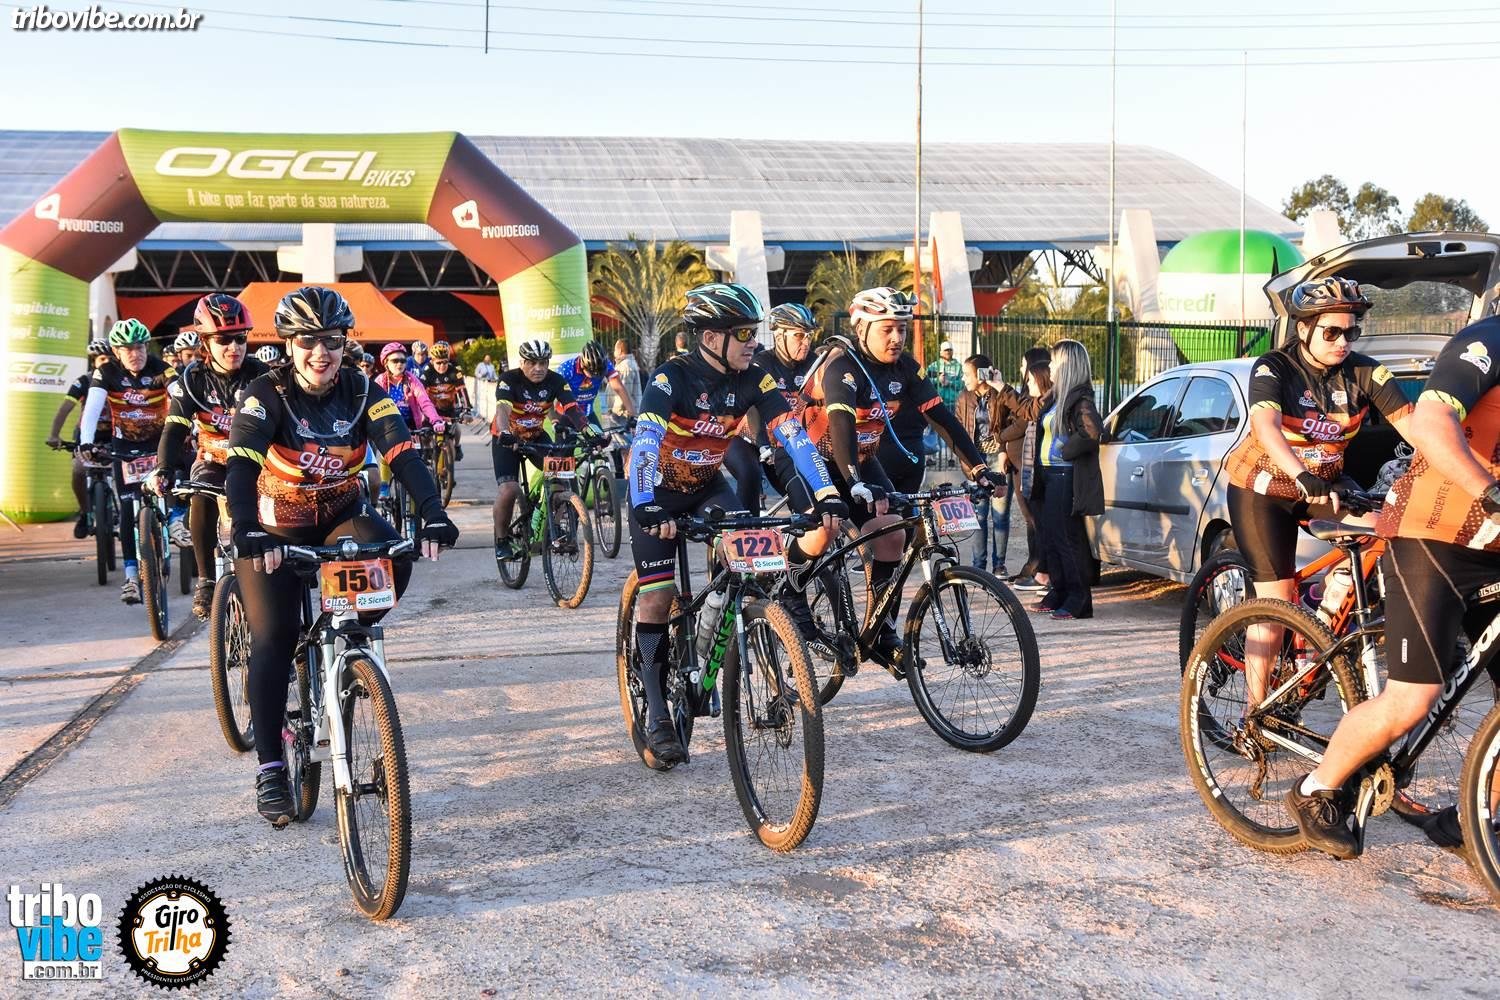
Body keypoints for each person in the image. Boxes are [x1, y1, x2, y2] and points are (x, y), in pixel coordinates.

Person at [226, 286, 458, 826]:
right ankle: (270, 768)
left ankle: (345, 647)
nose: (320, 352)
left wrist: (433, 512)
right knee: (274, 636)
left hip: (339, 516)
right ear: (289, 344)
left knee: (390, 557)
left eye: (330, 340)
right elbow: (240, 462)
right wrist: (244, 526)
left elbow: (402, 452)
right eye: (307, 341)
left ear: (344, 342)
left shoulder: (363, 390)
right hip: (275, 524)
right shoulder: (266, 392)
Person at [1286, 314, 1500, 859]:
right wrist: (1490, 493)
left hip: (1496, 546)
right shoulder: (1487, 341)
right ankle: (1316, 790)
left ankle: (1478, 818)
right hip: (1436, 532)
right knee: (1413, 696)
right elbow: (1431, 421)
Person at [627, 283, 844, 764]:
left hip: (707, 488)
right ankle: (658, 712)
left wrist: (826, 492)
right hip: (657, 493)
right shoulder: (671, 378)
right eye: (743, 333)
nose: (754, 342)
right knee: (658, 597)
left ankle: (723, 635)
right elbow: (644, 444)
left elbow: (794, 437)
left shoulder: (754, 380)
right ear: (710, 337)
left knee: (748, 566)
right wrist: (644, 503)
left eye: (754, 332)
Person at [1223, 277, 1413, 705]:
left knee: (1384, 531)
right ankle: (1254, 716)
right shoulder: (1275, 367)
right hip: (1264, 488)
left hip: (1323, 487)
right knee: (1274, 606)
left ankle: (1319, 609)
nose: (1343, 341)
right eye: (1332, 332)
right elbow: (1266, 427)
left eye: (1351, 332)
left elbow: (1416, 426)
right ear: (1304, 328)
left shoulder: (1366, 372)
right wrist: (1299, 473)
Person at [789, 287, 1001, 670]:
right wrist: (854, 482)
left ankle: (881, 633)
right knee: (825, 527)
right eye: (887, 329)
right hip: (816, 459)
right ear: (862, 328)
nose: (896, 337)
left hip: (861, 457)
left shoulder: (906, 369)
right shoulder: (843, 368)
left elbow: (944, 419)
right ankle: (791, 593)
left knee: (893, 534)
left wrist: (978, 467)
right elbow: (841, 429)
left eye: (902, 329)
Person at [153, 293, 269, 620]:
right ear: (205, 342)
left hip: (259, 463)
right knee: (200, 496)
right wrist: (164, 468)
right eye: (223, 340)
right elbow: (174, 428)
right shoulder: (192, 379)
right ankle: (205, 580)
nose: (234, 347)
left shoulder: (262, 375)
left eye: (240, 338)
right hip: (214, 459)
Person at [78, 319, 177, 604]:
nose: (135, 354)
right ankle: (132, 577)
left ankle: (175, 519)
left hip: (157, 445)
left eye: (140, 347)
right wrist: (86, 440)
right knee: (126, 508)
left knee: (179, 474)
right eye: (128, 349)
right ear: (116, 352)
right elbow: (93, 406)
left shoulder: (161, 368)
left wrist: (189, 428)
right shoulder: (107, 371)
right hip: (124, 448)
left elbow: (178, 395)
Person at [1022, 340, 1103, 620]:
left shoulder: (1080, 399)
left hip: (1064, 476)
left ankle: (1079, 598)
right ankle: (1059, 591)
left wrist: (1066, 450)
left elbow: (1092, 432)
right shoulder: (1056, 396)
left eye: (1055, 361)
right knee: (1050, 537)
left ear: (1068, 365)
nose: (1051, 366)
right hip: (1047, 475)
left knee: (1067, 539)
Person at [491, 339, 591, 560]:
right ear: (522, 363)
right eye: (532, 363)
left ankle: (552, 526)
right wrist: (505, 432)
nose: (538, 368)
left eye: (543, 363)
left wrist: (588, 430)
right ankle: (502, 540)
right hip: (507, 438)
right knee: (509, 490)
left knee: (561, 477)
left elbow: (572, 408)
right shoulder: (509, 379)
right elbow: (503, 409)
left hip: (536, 436)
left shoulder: (556, 381)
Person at [735, 302, 820, 511]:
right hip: (749, 437)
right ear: (779, 336)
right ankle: (745, 524)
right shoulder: (761, 363)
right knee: (750, 474)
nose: (806, 342)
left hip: (786, 441)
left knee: (804, 496)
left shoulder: (814, 362)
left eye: (809, 336)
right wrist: (763, 444)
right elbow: (753, 407)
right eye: (799, 336)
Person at [1000, 348, 1053, 591]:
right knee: (1031, 519)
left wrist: (999, 436)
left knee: (1036, 520)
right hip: (1020, 466)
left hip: (1030, 468)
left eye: (1025, 366)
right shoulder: (1028, 396)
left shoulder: (1039, 402)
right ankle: (1034, 566)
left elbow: (1021, 422)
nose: (1021, 370)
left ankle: (1040, 569)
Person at [47, 340, 110, 538]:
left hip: (113, 434)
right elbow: (65, 408)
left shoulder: (119, 379)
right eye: (102, 359)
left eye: (110, 358)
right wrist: (54, 434)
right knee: (78, 470)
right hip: (86, 435)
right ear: (93, 361)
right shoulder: (83, 381)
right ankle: (85, 512)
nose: (107, 362)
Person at [955, 354, 1010, 575]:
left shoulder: (1000, 394)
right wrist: (969, 464)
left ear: (980, 375)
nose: (963, 378)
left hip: (999, 458)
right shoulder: (963, 398)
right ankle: (979, 568)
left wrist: (1005, 452)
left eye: (966, 374)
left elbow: (1011, 425)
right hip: (976, 461)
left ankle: (999, 566)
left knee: (1000, 515)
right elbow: (958, 433)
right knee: (978, 516)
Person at [374, 343, 445, 500]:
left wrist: (436, 421)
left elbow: (424, 401)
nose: (399, 364)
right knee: (386, 454)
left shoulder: (412, 380)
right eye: (395, 361)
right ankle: (384, 485)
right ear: (386, 363)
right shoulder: (380, 381)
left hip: (412, 426)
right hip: (389, 426)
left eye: (403, 360)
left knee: (416, 458)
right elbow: (373, 406)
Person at [558, 339, 636, 431]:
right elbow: (553, 394)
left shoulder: (605, 364)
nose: (595, 376)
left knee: (601, 438)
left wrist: (632, 415)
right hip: (566, 415)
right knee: (565, 439)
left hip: (587, 413)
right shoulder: (567, 369)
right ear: (582, 365)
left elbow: (619, 388)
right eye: (592, 373)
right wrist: (555, 421)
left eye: (599, 374)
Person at [420, 341, 471, 461]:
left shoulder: (454, 371)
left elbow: (462, 391)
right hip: (432, 409)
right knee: (424, 431)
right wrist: (420, 411)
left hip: (449, 407)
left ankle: (457, 446)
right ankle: (427, 448)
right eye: (438, 363)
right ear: (432, 361)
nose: (442, 366)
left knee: (456, 426)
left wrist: (467, 409)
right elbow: (420, 393)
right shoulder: (427, 372)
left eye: (445, 362)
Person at [609, 338, 641, 425]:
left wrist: (616, 411)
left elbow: (624, 390)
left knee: (621, 433)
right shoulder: (626, 364)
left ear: (619, 350)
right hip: (624, 413)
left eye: (615, 349)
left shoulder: (625, 366)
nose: (614, 352)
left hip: (623, 414)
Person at [926, 340, 963, 410]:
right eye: (946, 350)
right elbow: (925, 382)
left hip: (954, 403)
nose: (948, 352)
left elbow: (963, 384)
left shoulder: (958, 366)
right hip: (936, 402)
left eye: (950, 350)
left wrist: (950, 382)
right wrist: (938, 380)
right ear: (941, 352)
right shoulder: (933, 366)